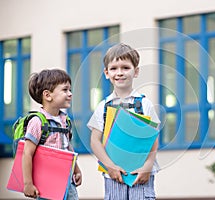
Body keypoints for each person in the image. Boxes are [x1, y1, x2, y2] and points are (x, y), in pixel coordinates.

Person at [88, 43, 160, 200]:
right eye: (114, 68)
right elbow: (95, 141)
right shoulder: (103, 107)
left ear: (136, 71)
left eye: (125, 67)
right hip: (113, 174)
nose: (119, 73)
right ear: (106, 73)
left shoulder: (145, 104)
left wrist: (147, 166)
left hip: (140, 173)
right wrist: (109, 166)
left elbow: (153, 138)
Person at [23, 69, 82, 199]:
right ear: (48, 95)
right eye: (65, 90)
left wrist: (76, 169)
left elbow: (67, 148)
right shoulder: (37, 122)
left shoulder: (65, 121)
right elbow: (27, 153)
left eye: (70, 90)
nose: (70, 94)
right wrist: (28, 183)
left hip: (67, 182)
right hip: (46, 185)